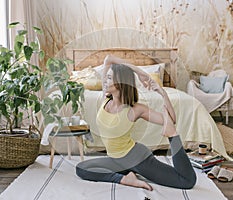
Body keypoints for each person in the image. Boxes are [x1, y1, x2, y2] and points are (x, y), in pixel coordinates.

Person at [76, 55, 196, 191]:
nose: (105, 80)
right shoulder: (106, 98)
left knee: (186, 181)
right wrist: (139, 72)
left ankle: (172, 136)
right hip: (115, 160)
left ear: (120, 82)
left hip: (136, 158)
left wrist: (163, 93)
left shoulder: (135, 109)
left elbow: (170, 120)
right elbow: (109, 59)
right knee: (81, 169)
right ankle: (125, 179)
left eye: (109, 78)